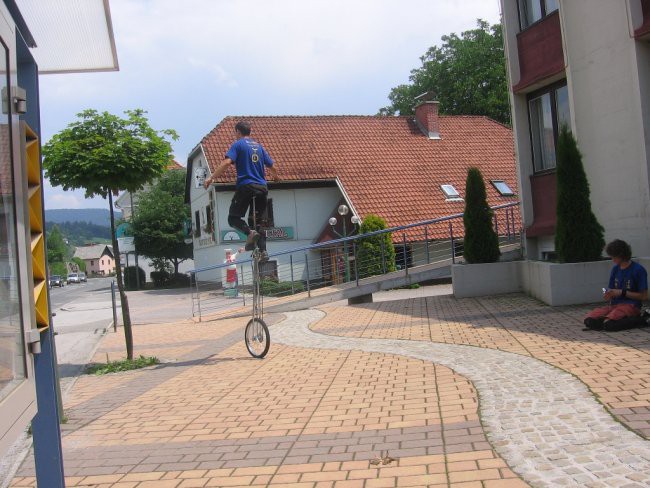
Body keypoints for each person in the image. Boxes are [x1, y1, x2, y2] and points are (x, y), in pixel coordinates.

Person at [204, 121, 279, 260]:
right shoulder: (259, 147)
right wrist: (275, 178)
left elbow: (227, 162)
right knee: (257, 222)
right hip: (262, 188)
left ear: (238, 132)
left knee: (233, 218)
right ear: (250, 132)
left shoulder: (238, 145)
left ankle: (249, 233)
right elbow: (273, 166)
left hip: (246, 186)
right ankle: (263, 251)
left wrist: (211, 178)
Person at [584, 239, 648, 330]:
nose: (612, 258)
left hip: (631, 305)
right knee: (589, 320)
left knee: (610, 324)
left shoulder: (638, 270)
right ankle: (608, 321)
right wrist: (608, 294)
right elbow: (612, 290)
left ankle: (641, 320)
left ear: (621, 255)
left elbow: (644, 296)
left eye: (613, 256)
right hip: (615, 305)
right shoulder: (615, 269)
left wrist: (622, 292)